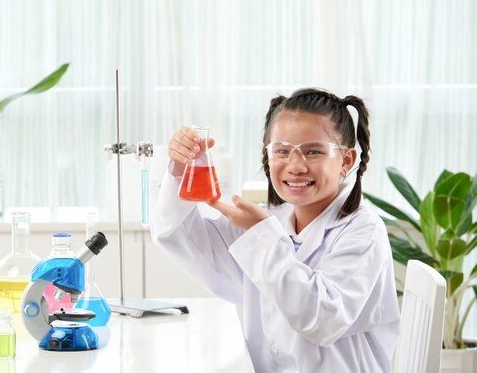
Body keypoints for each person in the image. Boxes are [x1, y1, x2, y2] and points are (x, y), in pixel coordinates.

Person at [151, 88, 400, 372]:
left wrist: (262, 236)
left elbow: (323, 318)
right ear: (268, 157)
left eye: (313, 151)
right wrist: (179, 169)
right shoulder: (272, 221)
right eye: (282, 151)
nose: (295, 166)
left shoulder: (363, 231)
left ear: (346, 160)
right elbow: (178, 236)